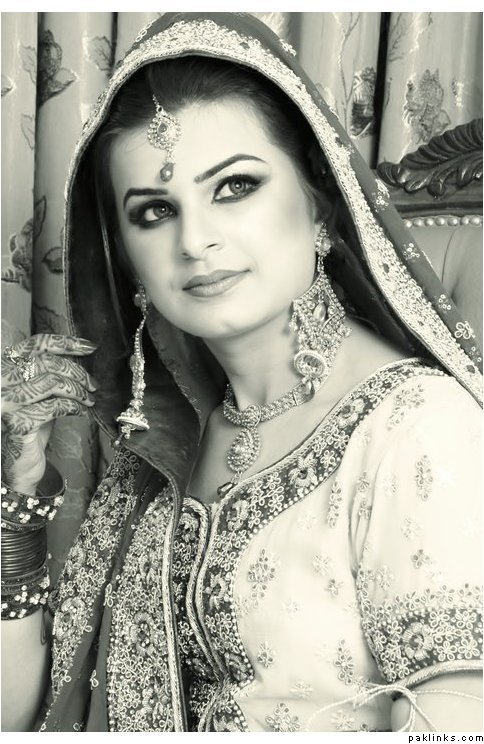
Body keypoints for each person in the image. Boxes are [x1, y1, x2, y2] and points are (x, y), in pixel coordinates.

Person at [1, 12, 482, 733]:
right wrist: (16, 501)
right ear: (127, 260)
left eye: (234, 187)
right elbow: (24, 714)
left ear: (320, 203)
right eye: (155, 211)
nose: (195, 241)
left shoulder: (419, 431)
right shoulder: (160, 451)